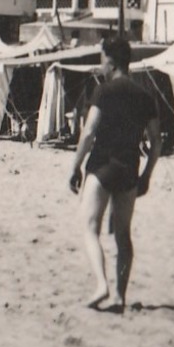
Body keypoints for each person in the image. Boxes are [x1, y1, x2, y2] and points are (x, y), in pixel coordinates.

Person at [68, 36, 162, 312]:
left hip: (102, 166)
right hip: (129, 169)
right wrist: (146, 175)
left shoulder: (104, 92)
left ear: (110, 61)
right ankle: (120, 296)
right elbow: (157, 140)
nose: (100, 65)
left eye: (101, 59)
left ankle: (101, 284)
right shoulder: (145, 96)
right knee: (123, 235)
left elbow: (89, 132)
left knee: (90, 228)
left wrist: (75, 166)